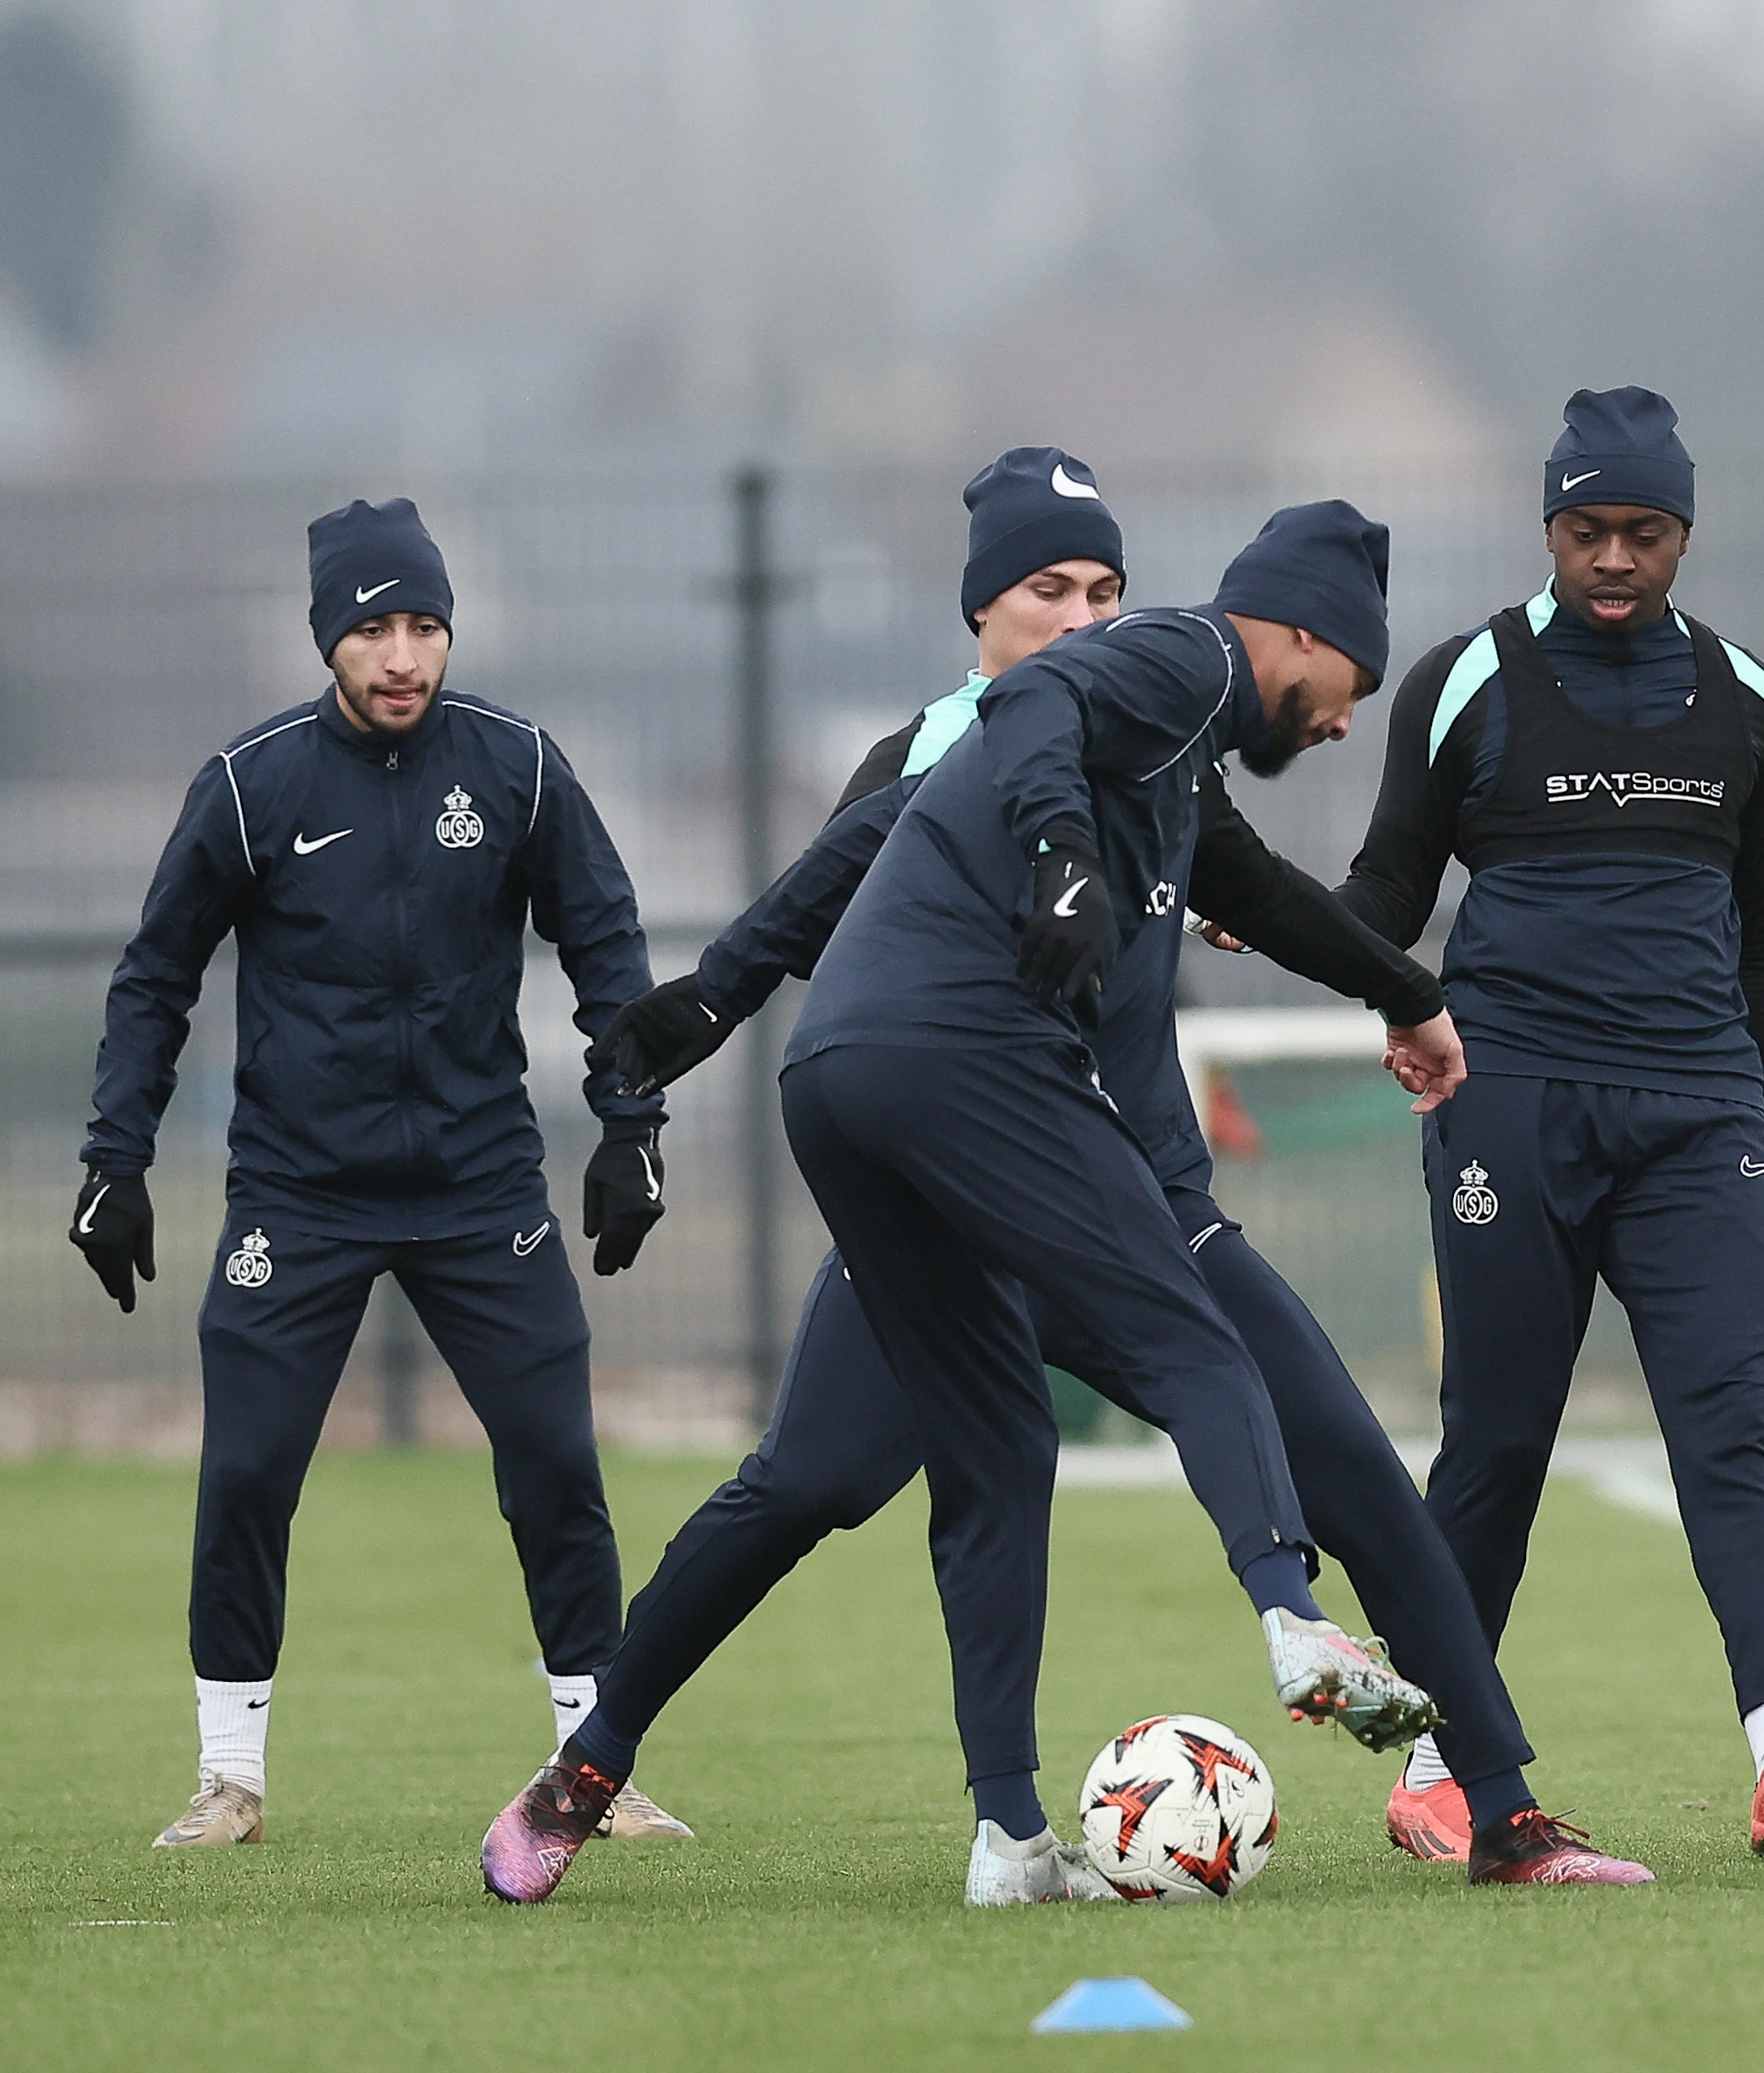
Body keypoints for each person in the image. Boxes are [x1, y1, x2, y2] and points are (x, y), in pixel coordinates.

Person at [479, 449, 1647, 1904]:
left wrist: (1408, 993)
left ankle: (1505, 1815)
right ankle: (592, 1761)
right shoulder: (950, 757)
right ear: (983, 614)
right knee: (808, 1485)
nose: (1086, 616)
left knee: (1355, 1472)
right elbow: (813, 906)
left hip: (1133, 1187)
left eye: (1108, 588)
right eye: (1051, 591)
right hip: (977, 1173)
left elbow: (1269, 896)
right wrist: (692, 1020)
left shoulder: (1162, 756)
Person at [74, 496, 689, 1850]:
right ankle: (228, 1778)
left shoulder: (519, 769)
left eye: (423, 625)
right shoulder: (254, 784)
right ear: (327, 642)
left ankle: (594, 1771)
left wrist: (633, 1125)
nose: (402, 655)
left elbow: (608, 950)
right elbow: (154, 978)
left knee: (554, 1462)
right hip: (298, 1192)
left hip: (480, 1185)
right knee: (247, 1471)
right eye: (372, 629)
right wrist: (114, 1158)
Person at [1337, 386, 1764, 1860]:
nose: (1616, 559)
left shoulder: (1750, 700)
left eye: (1644, 532)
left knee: (1732, 1433)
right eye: (1589, 531)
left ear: (1686, 533)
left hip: (1705, 1115)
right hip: (1509, 1103)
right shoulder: (1468, 683)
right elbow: (1390, 889)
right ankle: (1439, 1774)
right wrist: (1331, 955)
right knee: (1497, 1443)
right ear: (1550, 530)